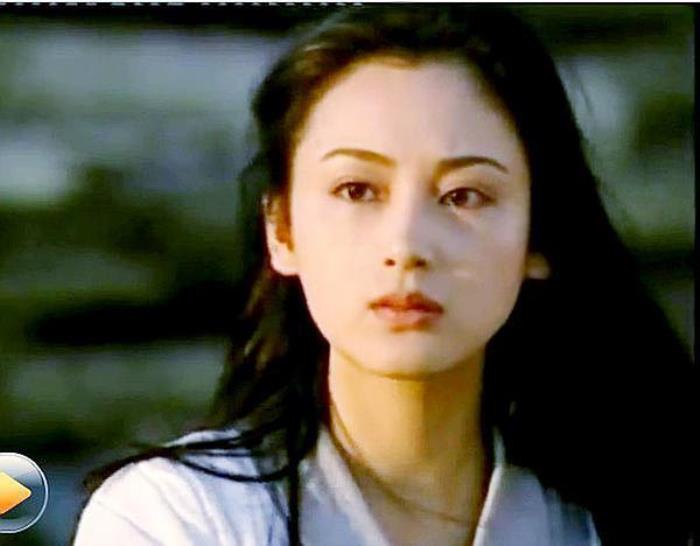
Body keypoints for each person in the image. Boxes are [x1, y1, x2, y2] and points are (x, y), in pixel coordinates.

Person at [72, 6, 694, 546]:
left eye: (464, 195)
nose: (406, 246)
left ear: (540, 235)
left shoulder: (629, 520)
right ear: (282, 230)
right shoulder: (182, 519)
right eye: (356, 189)